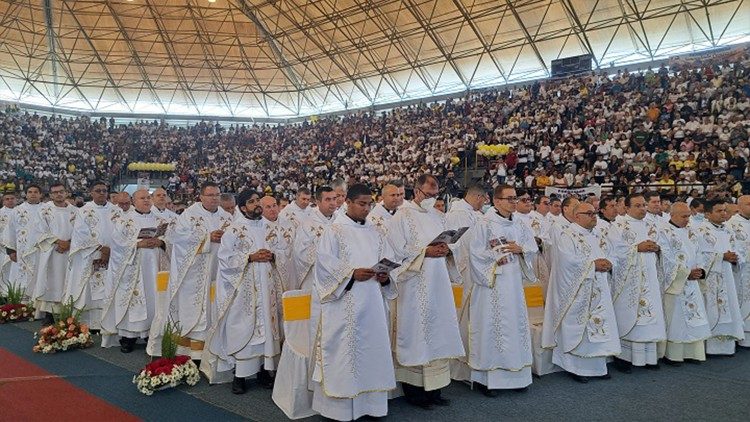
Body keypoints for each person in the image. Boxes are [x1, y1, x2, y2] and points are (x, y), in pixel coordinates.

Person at [311, 184, 397, 421]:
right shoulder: (335, 230)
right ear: (347, 202)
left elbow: (389, 261)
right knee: (345, 352)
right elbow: (324, 267)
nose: (366, 209)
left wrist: (385, 275)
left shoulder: (377, 231)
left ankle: (372, 405)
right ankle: (340, 410)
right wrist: (350, 274)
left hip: (373, 304)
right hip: (345, 303)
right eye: (361, 203)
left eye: (369, 204)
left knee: (372, 350)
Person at [387, 174, 464, 408]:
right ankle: (416, 393)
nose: (432, 199)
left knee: (439, 333)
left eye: (435, 195)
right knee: (417, 335)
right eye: (429, 195)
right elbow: (395, 252)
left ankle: (436, 391)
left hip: (439, 284)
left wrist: (448, 250)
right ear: (416, 191)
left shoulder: (438, 217)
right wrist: (425, 252)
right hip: (415, 285)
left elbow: (453, 245)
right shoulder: (401, 216)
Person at [456, 184, 536, 396]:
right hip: (491, 285)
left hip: (513, 284)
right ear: (497, 201)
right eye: (509, 198)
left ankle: (516, 375)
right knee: (491, 328)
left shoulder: (520, 223)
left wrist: (522, 250)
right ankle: (487, 379)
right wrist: (497, 256)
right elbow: (475, 254)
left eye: (515, 198)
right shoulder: (484, 224)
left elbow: (531, 247)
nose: (513, 202)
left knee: (515, 326)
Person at [201, 190, 282, 394]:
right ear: (243, 207)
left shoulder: (269, 228)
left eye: (258, 201)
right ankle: (241, 375)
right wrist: (249, 257)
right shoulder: (234, 230)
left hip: (267, 287)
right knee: (244, 328)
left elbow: (283, 252)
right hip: (245, 289)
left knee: (267, 330)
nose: (257, 204)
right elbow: (225, 260)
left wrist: (273, 256)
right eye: (252, 202)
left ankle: (265, 370)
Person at [148, 182, 233, 359]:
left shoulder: (228, 217)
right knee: (196, 312)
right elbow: (179, 240)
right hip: (195, 275)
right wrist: (207, 238)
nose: (214, 198)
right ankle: (193, 353)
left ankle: (215, 348)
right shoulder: (189, 215)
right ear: (201, 197)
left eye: (217, 194)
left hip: (219, 271)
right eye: (210, 195)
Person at [542, 202, 620, 382]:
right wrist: (592, 265)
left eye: (595, 213)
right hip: (578, 290)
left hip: (599, 287)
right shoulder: (567, 236)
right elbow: (566, 263)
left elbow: (611, 253)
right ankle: (576, 368)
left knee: (600, 326)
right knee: (580, 328)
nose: (594, 216)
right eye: (589, 213)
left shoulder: (599, 235)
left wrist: (609, 263)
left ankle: (598, 367)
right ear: (577, 216)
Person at [607, 193, 666, 371]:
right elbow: (613, 251)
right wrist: (636, 248)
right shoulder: (618, 225)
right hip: (628, 280)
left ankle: (649, 357)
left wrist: (657, 248)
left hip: (649, 275)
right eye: (638, 206)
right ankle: (624, 358)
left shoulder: (652, 224)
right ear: (627, 207)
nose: (643, 209)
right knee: (628, 314)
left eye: (644, 205)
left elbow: (665, 246)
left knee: (649, 315)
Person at [101, 189, 164, 353]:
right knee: (135, 299)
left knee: (154, 297)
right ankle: (128, 336)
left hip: (155, 266)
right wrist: (137, 244)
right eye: (142, 198)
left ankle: (151, 333)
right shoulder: (125, 221)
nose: (146, 201)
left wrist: (161, 242)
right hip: (133, 268)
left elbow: (171, 240)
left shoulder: (160, 219)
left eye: (148, 197)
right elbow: (117, 245)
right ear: (134, 201)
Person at [655, 202, 711, 364]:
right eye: (684, 216)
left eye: (689, 216)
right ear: (672, 215)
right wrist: (686, 273)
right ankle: (674, 355)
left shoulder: (692, 232)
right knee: (677, 319)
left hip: (692, 281)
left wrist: (699, 270)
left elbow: (700, 252)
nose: (688, 219)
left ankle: (693, 353)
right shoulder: (663, 232)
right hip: (677, 282)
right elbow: (665, 258)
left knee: (694, 317)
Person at [65, 182, 121, 331]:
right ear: (91, 193)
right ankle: (88, 324)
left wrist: (112, 250)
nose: (102, 193)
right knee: (90, 291)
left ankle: (108, 323)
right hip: (91, 255)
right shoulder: (83, 211)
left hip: (114, 256)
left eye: (104, 190)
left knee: (109, 288)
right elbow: (80, 234)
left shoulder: (116, 211)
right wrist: (102, 248)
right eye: (98, 191)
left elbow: (122, 232)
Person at [693, 200, 745, 355]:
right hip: (711, 278)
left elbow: (738, 250)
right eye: (719, 211)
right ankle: (711, 347)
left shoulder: (728, 230)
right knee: (712, 308)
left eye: (724, 210)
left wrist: (736, 257)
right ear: (708, 214)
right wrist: (721, 256)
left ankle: (727, 346)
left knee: (729, 307)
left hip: (728, 276)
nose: (723, 213)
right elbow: (699, 254)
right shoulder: (700, 230)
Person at [33, 183, 77, 324]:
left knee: (69, 280)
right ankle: (50, 314)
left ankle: (70, 312)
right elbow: (40, 231)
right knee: (52, 281)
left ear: (66, 193)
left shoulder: (75, 211)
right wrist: (59, 242)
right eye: (55, 192)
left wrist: (69, 243)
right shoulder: (44, 210)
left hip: (71, 251)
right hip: (52, 252)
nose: (58, 194)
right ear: (50, 195)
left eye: (61, 191)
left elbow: (82, 230)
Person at [4, 185, 45, 306]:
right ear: (26, 194)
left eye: (36, 192)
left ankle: (40, 306)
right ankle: (22, 306)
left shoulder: (47, 209)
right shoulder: (17, 210)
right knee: (22, 276)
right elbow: (10, 230)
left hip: (42, 250)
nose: (33, 194)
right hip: (23, 251)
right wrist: (11, 250)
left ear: (40, 194)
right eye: (30, 192)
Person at [292, 187, 338, 291]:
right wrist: (326, 257)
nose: (332, 203)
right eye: (328, 199)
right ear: (318, 202)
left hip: (339, 276)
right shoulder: (307, 223)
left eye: (334, 199)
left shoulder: (340, 221)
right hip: (316, 276)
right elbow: (300, 252)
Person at [726, 195, 750, 347]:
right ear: (739, 207)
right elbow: (731, 248)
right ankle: (743, 336)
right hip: (743, 271)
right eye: (748, 204)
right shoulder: (732, 225)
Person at [0, 191, 17, 297]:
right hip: (2, 249)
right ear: (3, 201)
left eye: (12, 198)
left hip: (17, 248)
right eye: (7, 199)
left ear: (16, 200)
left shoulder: (20, 211)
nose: (10, 201)